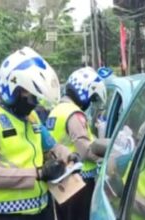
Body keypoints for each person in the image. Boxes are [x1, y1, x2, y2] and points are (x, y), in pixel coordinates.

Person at [0, 47, 74, 220]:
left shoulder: (31, 116)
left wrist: (69, 156)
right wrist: (38, 174)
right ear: (13, 89)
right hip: (4, 214)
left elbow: (50, 145)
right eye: (30, 97)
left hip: (41, 209)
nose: (34, 103)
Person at [46, 67, 108, 220]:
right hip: (79, 181)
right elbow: (85, 149)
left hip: (61, 180)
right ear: (84, 91)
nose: (90, 103)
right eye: (92, 97)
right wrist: (107, 156)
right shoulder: (73, 113)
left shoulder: (56, 111)